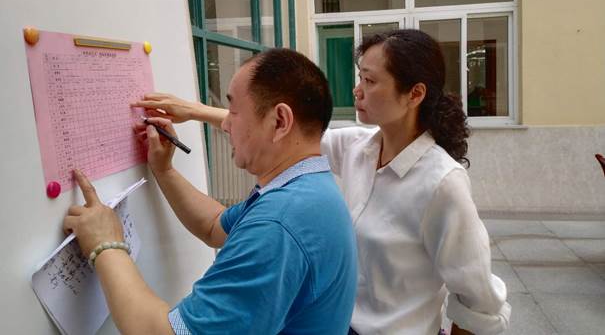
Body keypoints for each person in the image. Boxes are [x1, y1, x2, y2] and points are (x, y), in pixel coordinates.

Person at [137, 29, 511, 335]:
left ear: (415, 94)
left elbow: (479, 300)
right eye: (359, 77)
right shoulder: (358, 147)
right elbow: (279, 128)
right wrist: (194, 111)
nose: (357, 90)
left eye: (370, 80)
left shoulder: (442, 183)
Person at [63, 48, 358, 335]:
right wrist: (164, 170)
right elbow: (214, 225)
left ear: (280, 121)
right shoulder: (310, 189)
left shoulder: (279, 222)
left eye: (234, 111)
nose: (225, 125)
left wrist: (106, 245)